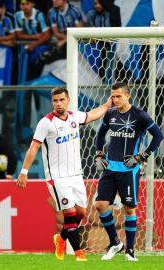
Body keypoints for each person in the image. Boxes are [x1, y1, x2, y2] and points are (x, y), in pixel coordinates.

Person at [16, 86, 113, 261]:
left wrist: (106, 105)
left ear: (68, 100)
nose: (59, 103)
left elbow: (91, 115)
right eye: (55, 100)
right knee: (68, 212)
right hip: (57, 177)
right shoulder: (46, 123)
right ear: (52, 102)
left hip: (76, 175)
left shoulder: (75, 117)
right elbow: (34, 147)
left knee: (81, 213)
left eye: (62, 100)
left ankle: (60, 238)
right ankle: (79, 254)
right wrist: (24, 172)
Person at [94, 81, 164, 261]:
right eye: (113, 96)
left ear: (128, 96)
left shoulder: (139, 115)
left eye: (119, 96)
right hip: (110, 168)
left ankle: (130, 251)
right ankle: (116, 243)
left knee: (129, 209)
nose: (115, 99)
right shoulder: (110, 114)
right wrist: (99, 154)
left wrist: (142, 156)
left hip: (129, 170)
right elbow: (100, 134)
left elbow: (158, 135)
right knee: (100, 205)